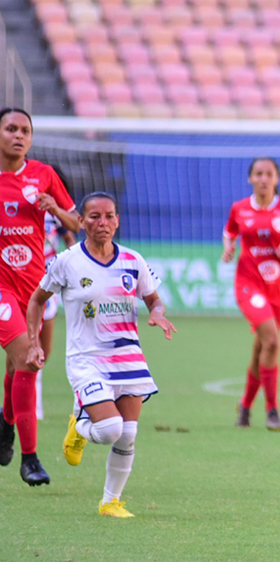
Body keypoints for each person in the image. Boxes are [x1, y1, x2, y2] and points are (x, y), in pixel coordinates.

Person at [25, 192, 175, 516]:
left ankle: (110, 502)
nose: (102, 223)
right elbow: (37, 300)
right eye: (94, 217)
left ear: (118, 220)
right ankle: (79, 427)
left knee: (128, 434)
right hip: (86, 358)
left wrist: (158, 313)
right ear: (81, 222)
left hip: (128, 356)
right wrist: (33, 341)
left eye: (109, 216)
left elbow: (154, 300)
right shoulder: (67, 261)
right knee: (109, 430)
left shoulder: (133, 261)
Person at [0, 107, 79, 486]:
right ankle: (29, 459)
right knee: (27, 362)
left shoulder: (43, 175)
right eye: (11, 129)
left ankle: (4, 421)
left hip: (37, 288)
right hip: (1, 290)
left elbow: (78, 223)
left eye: (25, 130)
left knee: (22, 367)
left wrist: (57, 209)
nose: (19, 135)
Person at [223, 157, 280, 432]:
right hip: (248, 284)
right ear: (250, 178)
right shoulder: (239, 208)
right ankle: (272, 409)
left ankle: (244, 407)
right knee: (273, 342)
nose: (263, 178)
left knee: (262, 348)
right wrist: (228, 248)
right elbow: (229, 232)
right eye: (258, 173)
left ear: (276, 179)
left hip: (277, 288)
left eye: (268, 174)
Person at [36, 167, 79, 420]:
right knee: (25, 350)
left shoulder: (55, 215)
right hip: (21, 281)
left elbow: (71, 237)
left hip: (48, 283)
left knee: (44, 350)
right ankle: (29, 408)